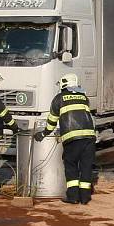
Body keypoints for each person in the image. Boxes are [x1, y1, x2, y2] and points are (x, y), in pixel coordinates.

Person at [34, 73, 96, 205]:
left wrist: (44, 133)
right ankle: (85, 197)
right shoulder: (84, 97)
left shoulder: (59, 98)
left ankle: (73, 196)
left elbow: (52, 121)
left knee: (71, 165)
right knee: (86, 167)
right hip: (89, 137)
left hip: (72, 137)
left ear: (63, 84)